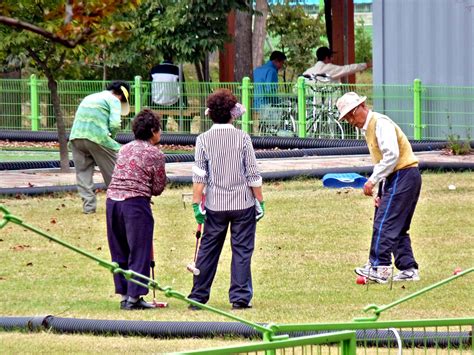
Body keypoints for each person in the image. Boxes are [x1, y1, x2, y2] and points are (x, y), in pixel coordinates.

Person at [188, 89, 265, 310]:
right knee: (241, 250)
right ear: (233, 113)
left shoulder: (203, 139)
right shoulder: (242, 138)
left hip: (215, 205)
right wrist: (260, 200)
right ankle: (240, 297)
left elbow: (199, 175)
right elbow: (252, 173)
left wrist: (196, 204)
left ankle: (198, 296)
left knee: (208, 249)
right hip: (243, 204)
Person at [336, 92, 421, 284]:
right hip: (398, 176)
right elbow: (384, 162)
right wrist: (381, 192)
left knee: (385, 222)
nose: (350, 120)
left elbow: (391, 156)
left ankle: (379, 267)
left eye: (351, 114)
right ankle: (408, 268)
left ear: (362, 106)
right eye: (346, 117)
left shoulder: (381, 123)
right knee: (396, 224)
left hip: (404, 174)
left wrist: (372, 181)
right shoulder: (369, 128)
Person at [105, 109, 167, 310]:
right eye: (159, 129)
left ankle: (124, 295)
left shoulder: (124, 149)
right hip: (135, 203)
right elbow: (157, 188)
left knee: (119, 249)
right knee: (139, 250)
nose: (160, 133)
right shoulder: (155, 154)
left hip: (112, 201)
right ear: (152, 131)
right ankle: (135, 298)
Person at [69, 81, 130, 214]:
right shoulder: (114, 100)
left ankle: (88, 208)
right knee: (114, 172)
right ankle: (121, 204)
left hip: (76, 137)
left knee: (83, 173)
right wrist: (111, 137)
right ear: (121, 96)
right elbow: (114, 124)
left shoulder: (90, 97)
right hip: (97, 138)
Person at [150, 55, 189, 132]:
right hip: (173, 103)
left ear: (163, 58)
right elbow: (182, 89)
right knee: (185, 118)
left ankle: (162, 130)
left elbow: (150, 88)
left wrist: (149, 103)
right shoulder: (177, 70)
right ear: (173, 59)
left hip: (156, 103)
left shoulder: (154, 70)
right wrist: (185, 103)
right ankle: (184, 131)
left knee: (162, 116)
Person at [303, 46, 371, 83]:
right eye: (331, 57)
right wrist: (366, 65)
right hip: (330, 104)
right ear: (327, 58)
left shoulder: (307, 72)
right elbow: (348, 69)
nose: (332, 60)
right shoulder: (328, 68)